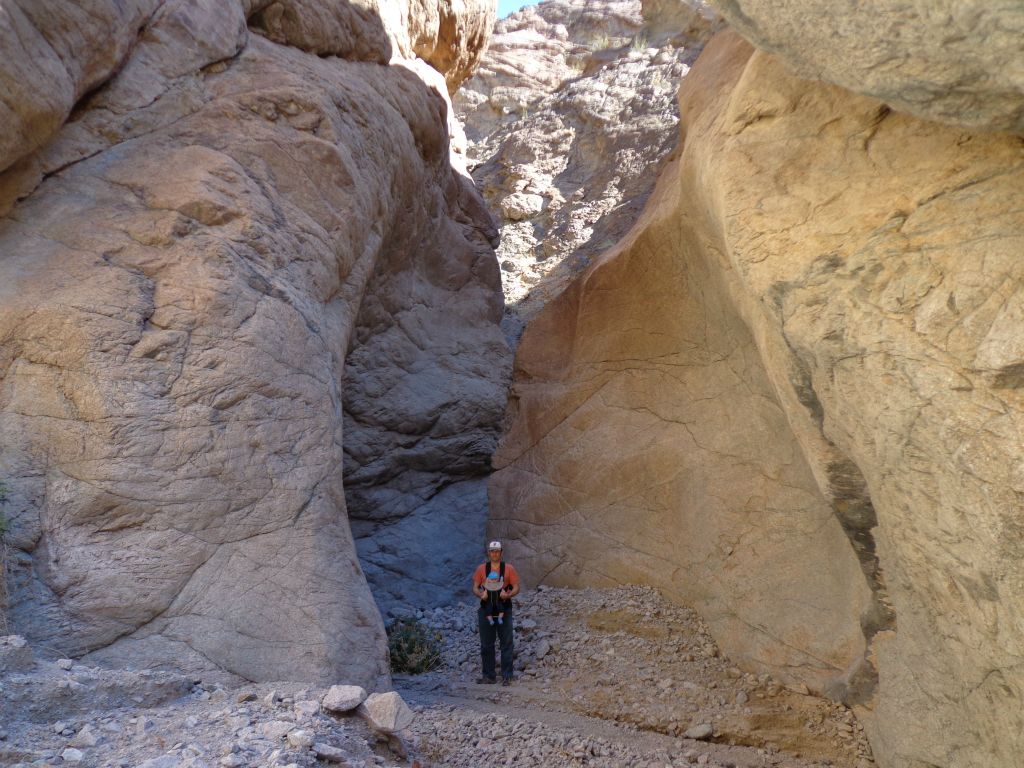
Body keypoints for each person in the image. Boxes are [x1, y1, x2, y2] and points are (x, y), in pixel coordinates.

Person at [472, 540, 520, 686]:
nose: (495, 553)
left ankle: (507, 676)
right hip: (486, 609)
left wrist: (509, 594)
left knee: (506, 643)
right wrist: (481, 595)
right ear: (489, 553)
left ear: (501, 552)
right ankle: (489, 676)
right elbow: (475, 587)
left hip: (504, 608)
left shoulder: (509, 569)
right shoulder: (481, 569)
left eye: (497, 551)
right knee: (486, 644)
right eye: (492, 551)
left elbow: (517, 587)